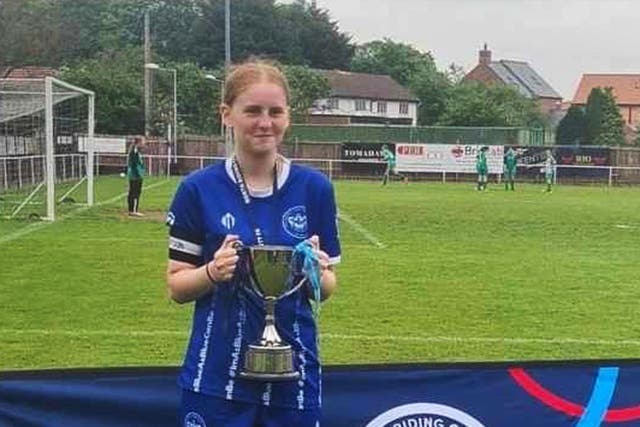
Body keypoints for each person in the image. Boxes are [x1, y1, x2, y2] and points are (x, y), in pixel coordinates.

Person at [165, 60, 341, 427]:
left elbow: (325, 290)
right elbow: (178, 287)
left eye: (275, 111)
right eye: (253, 111)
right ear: (227, 115)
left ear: (288, 117)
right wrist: (213, 272)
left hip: (295, 374)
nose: (265, 122)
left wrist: (315, 270)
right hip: (215, 376)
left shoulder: (315, 189)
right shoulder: (197, 189)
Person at [126, 136, 145, 216]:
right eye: (143, 141)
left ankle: (132, 210)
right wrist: (139, 174)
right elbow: (134, 164)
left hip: (135, 175)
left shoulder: (136, 151)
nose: (144, 143)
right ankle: (133, 211)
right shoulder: (134, 151)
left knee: (133, 192)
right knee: (135, 192)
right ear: (139, 142)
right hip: (135, 175)